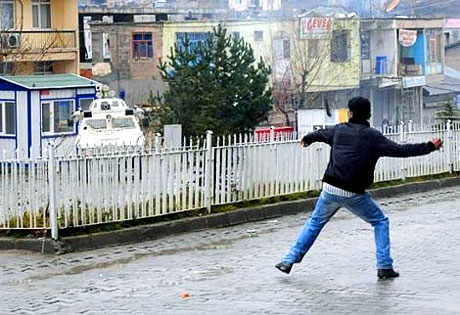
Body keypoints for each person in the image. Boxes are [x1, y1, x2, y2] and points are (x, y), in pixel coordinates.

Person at [275, 97, 443, 279]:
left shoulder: (339, 130)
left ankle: (288, 260)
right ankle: (385, 266)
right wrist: (429, 146)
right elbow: (401, 150)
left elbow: (320, 134)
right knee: (380, 222)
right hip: (353, 192)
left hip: (330, 188)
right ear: (368, 114)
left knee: (315, 223)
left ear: (351, 113)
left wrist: (307, 139)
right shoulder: (374, 137)